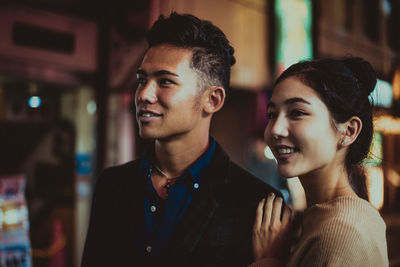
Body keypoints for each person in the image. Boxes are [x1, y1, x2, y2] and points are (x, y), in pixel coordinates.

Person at [81, 12, 281, 267]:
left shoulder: (257, 204)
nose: (144, 94)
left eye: (165, 81)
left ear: (213, 100)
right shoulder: (112, 185)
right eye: (142, 80)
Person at [250, 57, 389, 266]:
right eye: (272, 114)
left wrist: (268, 261)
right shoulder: (329, 217)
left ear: (349, 131)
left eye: (297, 113)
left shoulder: (341, 235)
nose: (275, 130)